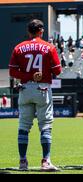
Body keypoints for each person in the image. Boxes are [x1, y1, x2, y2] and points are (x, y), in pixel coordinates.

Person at [8, 19, 62, 171]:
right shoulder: (49, 47)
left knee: (24, 126)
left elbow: (12, 72)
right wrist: (41, 73)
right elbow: (57, 71)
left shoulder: (19, 47)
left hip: (25, 88)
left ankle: (23, 161)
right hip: (42, 89)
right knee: (45, 125)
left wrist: (28, 76)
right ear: (41, 31)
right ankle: (46, 161)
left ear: (28, 31)